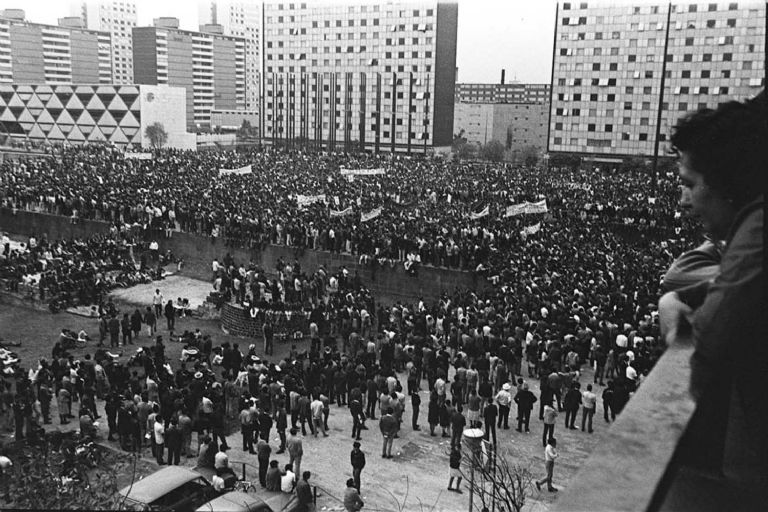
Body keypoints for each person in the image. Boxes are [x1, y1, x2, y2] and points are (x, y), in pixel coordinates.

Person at [659, 97, 767, 482]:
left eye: (689, 184)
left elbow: (706, 360)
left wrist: (674, 322)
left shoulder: (758, 231)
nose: (683, 201)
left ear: (726, 182)